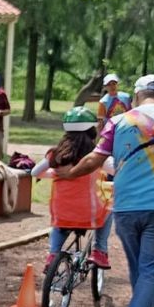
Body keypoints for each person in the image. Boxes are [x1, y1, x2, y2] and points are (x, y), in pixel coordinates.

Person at [60, 74, 154, 307]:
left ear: (137, 95)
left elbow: (95, 158)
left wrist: (70, 174)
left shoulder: (119, 121)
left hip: (127, 207)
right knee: (152, 270)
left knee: (139, 267)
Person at [31, 106, 114, 270]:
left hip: (62, 212)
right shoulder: (95, 156)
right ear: (91, 130)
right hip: (88, 213)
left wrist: (56, 173)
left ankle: (53, 254)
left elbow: (35, 172)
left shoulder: (56, 154)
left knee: (58, 226)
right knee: (109, 210)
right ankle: (100, 251)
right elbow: (114, 169)